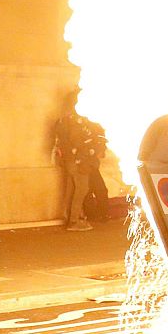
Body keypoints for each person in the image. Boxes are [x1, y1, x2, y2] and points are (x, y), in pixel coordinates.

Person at [53, 93, 109, 231]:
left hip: (71, 160)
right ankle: (74, 220)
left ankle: (71, 219)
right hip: (80, 161)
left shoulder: (64, 120)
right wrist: (88, 153)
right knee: (82, 189)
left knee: (72, 190)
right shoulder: (77, 122)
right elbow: (80, 142)